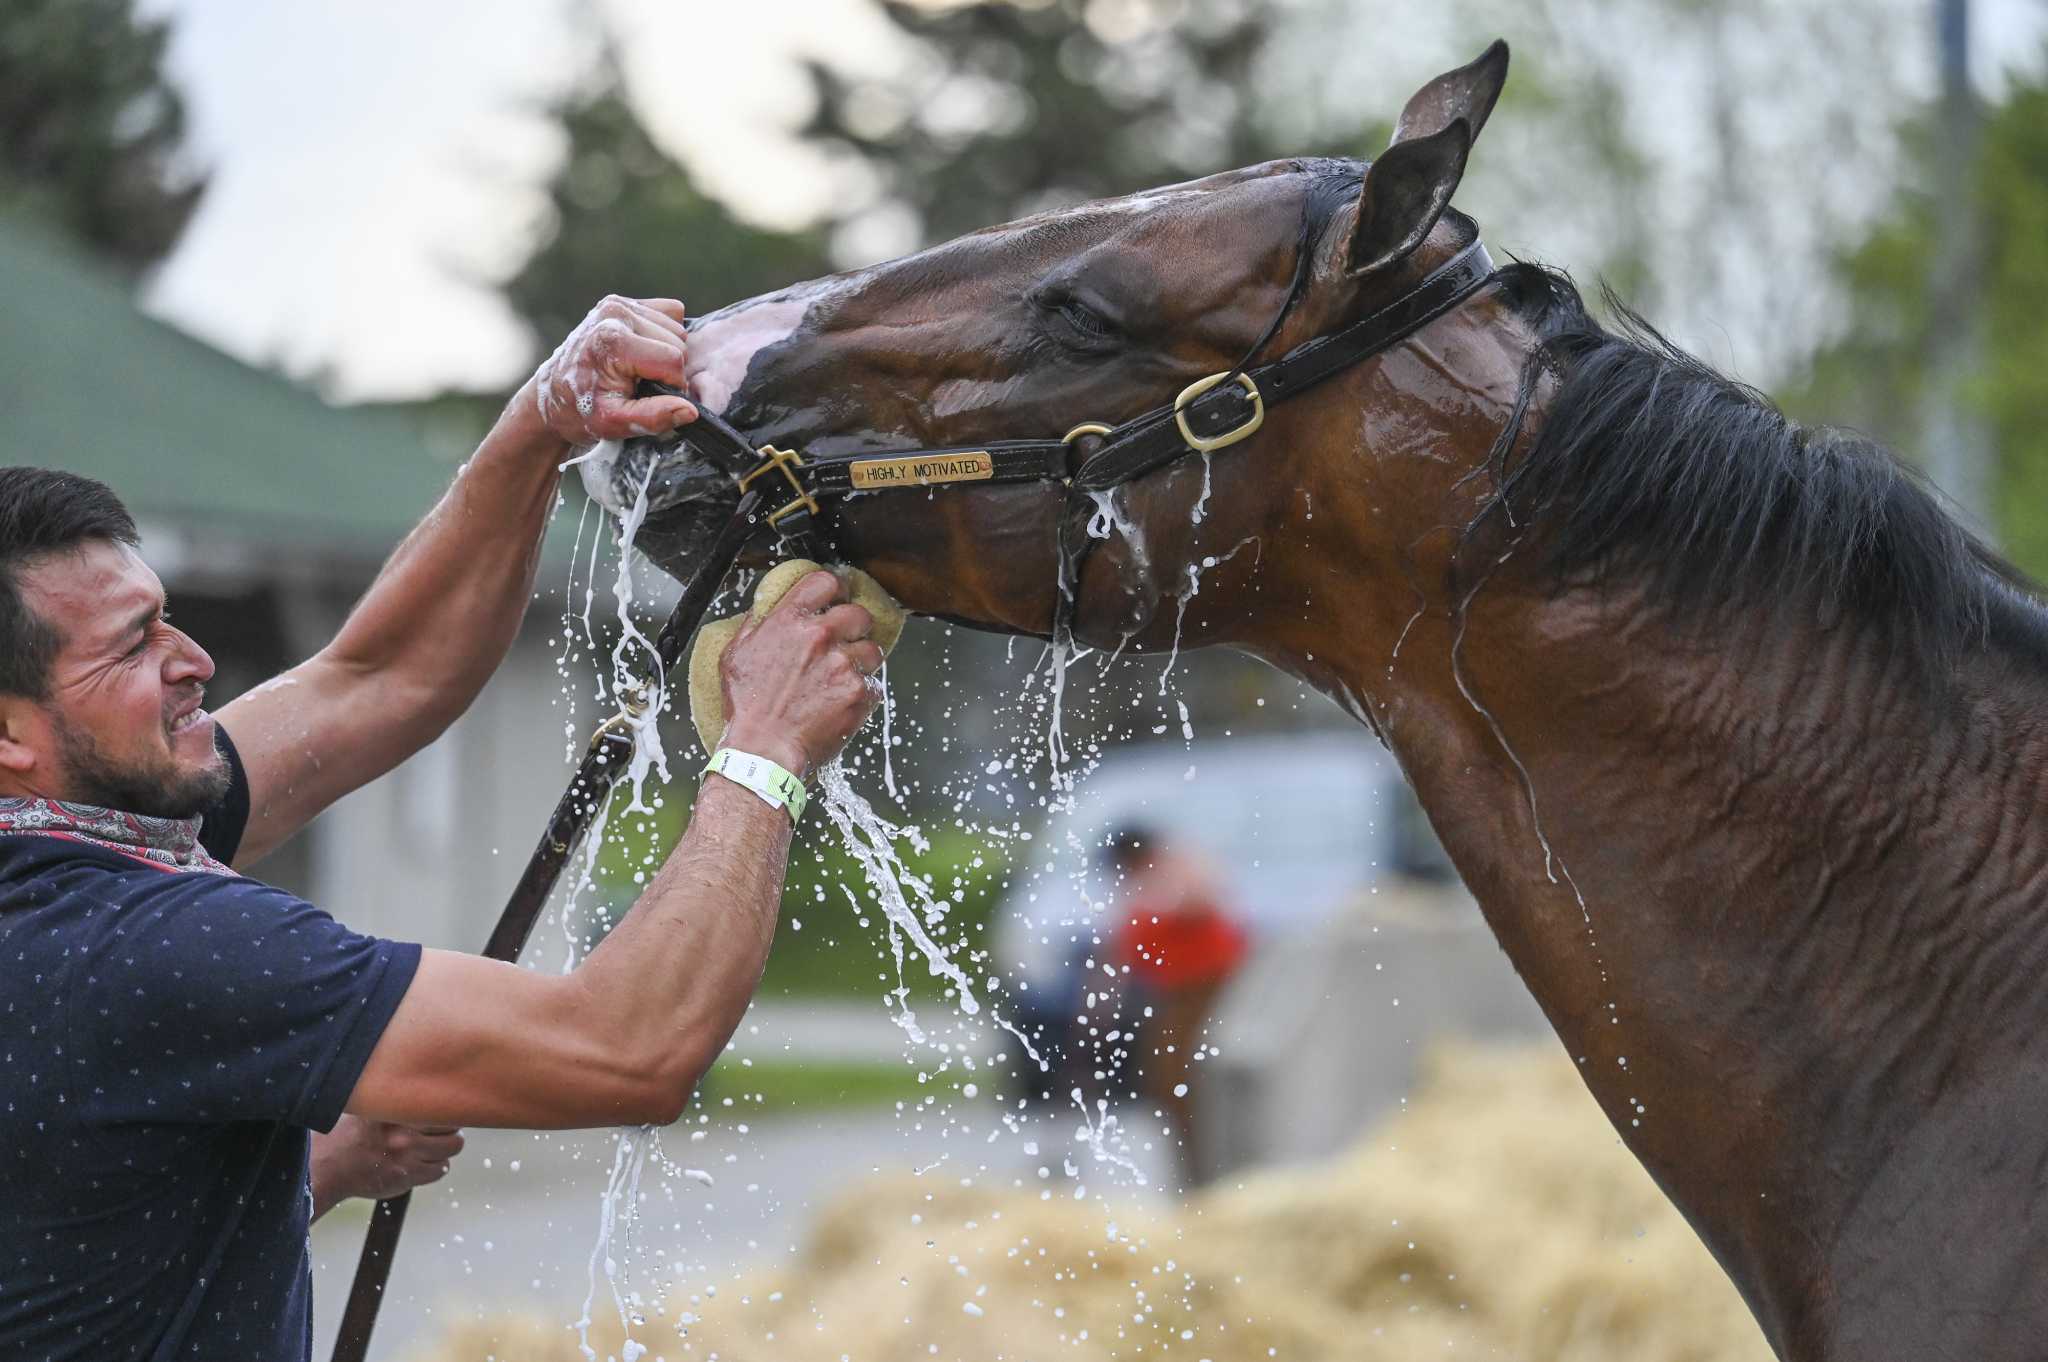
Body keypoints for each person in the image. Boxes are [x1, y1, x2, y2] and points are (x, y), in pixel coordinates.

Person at [0, 296, 882, 1360]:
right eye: (133, 646)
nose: (194, 662)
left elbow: (378, 680)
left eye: (167, 615)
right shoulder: (135, 944)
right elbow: (626, 1049)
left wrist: (539, 425)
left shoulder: (80, 843)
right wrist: (765, 748)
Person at [1102, 824, 1250, 1183]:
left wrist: (1161, 882)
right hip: (1169, 999)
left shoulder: (1178, 873)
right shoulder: (1136, 896)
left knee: (1207, 1084)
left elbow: (1198, 899)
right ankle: (1194, 1175)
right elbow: (1117, 957)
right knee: (1170, 1089)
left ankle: (1225, 1171)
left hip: (1213, 995)